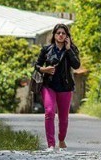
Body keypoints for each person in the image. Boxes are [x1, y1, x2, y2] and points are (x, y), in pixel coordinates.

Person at [34, 23, 81, 151]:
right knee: (49, 112)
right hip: (49, 86)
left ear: (67, 36)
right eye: (58, 33)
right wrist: (45, 69)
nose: (60, 35)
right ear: (54, 35)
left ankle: (61, 139)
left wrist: (68, 49)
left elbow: (76, 65)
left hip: (65, 87)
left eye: (63, 33)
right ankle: (50, 144)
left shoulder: (71, 49)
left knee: (63, 118)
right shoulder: (46, 49)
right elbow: (37, 65)